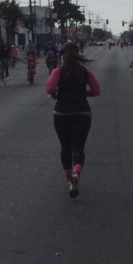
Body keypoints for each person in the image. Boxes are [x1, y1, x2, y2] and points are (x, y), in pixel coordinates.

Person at [45, 42, 101, 198]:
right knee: (78, 147)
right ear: (78, 55)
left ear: (63, 55)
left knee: (65, 147)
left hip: (61, 113)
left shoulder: (58, 71)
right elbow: (96, 90)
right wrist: (83, 94)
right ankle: (77, 172)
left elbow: (49, 89)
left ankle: (69, 179)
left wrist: (59, 93)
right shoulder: (85, 72)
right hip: (82, 113)